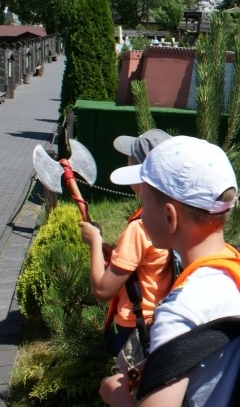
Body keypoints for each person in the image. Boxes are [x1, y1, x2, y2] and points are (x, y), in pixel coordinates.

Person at [99, 136, 240, 406]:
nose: (141, 214)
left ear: (170, 217)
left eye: (144, 205)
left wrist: (117, 396)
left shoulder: (178, 313)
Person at [79, 129, 174, 354]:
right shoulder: (170, 217)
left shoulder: (139, 227)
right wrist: (111, 251)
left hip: (136, 328)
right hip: (163, 319)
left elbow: (102, 292)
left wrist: (94, 241)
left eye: (131, 157)